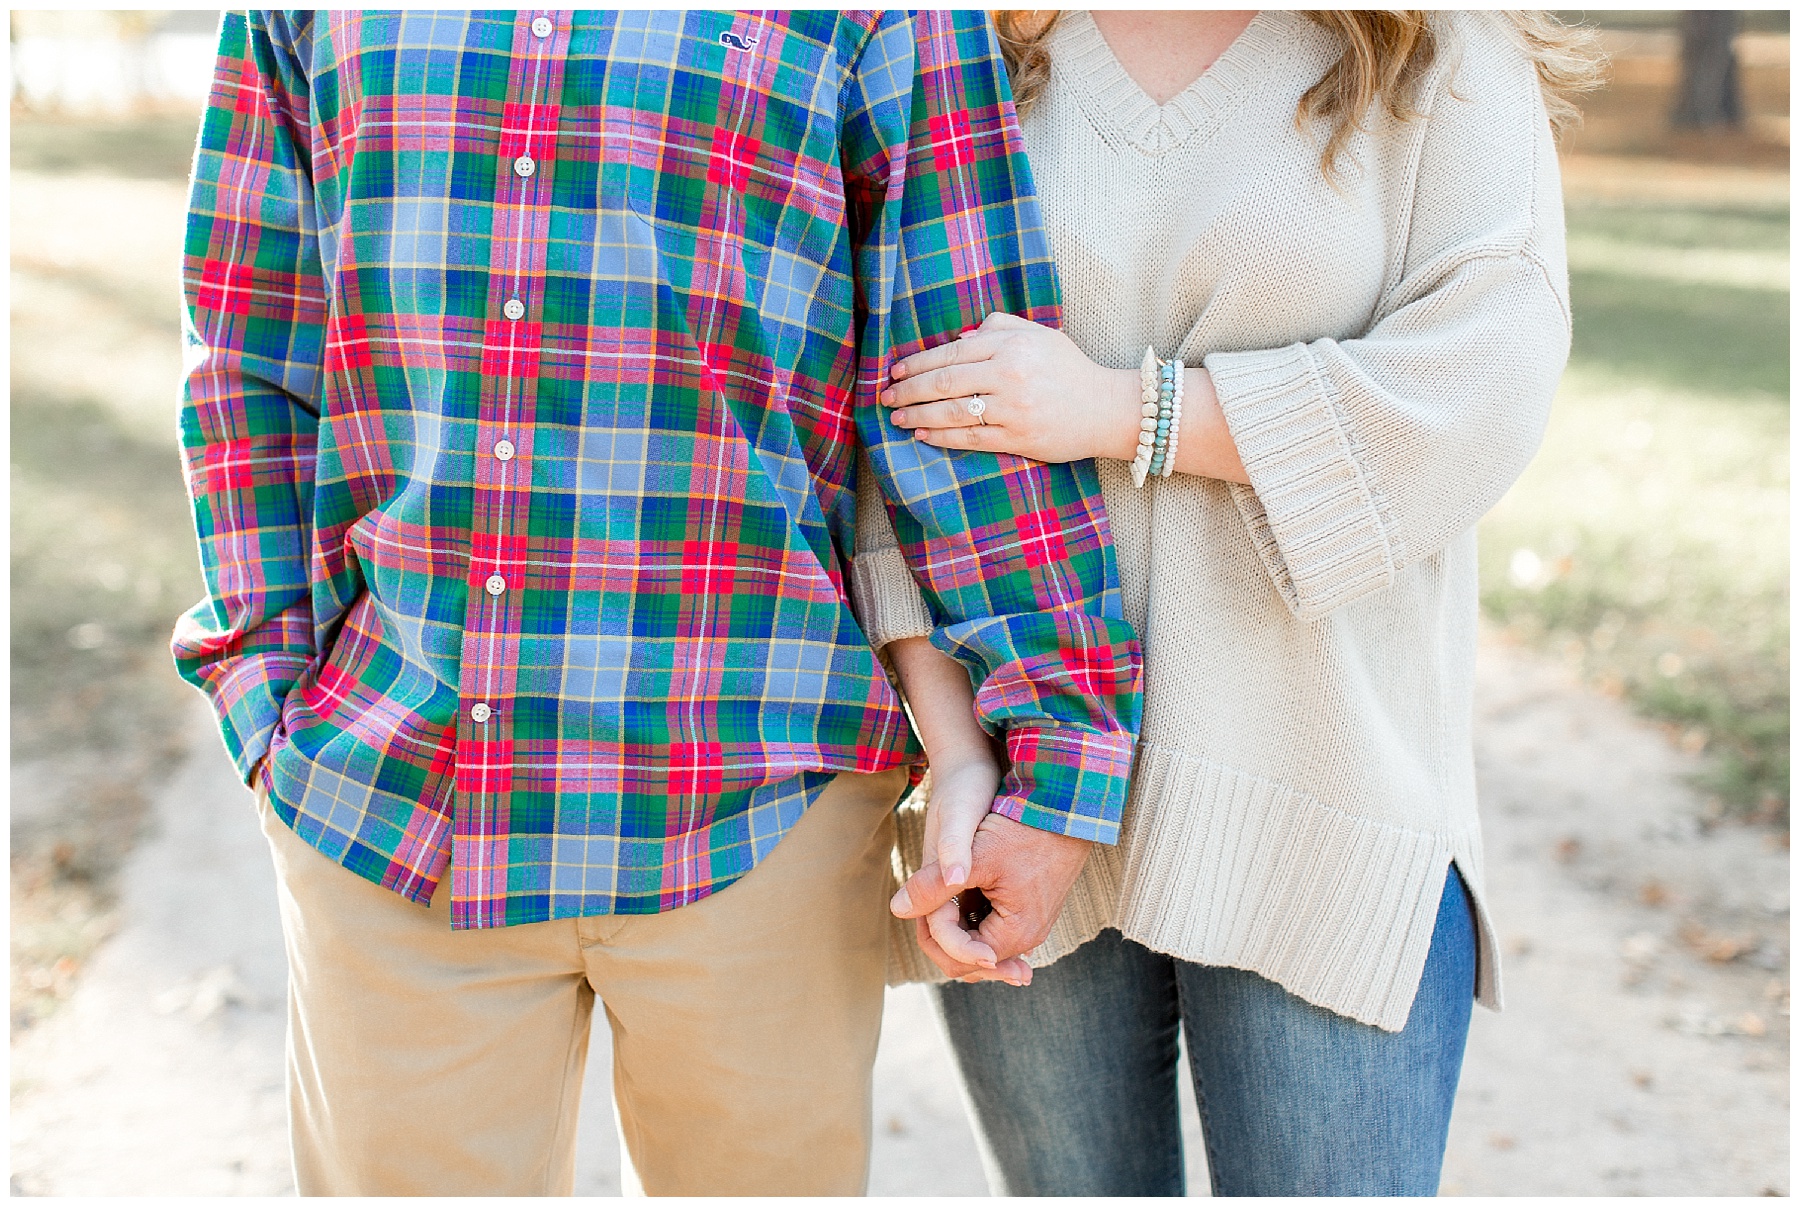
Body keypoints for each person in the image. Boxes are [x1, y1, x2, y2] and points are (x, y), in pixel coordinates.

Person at [170, 11, 1142, 1196]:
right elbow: (248, 347)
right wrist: (267, 694)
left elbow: (965, 365)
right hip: (393, 799)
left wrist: (1060, 749)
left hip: (759, 810)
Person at [869, 9, 1603, 1196]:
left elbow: (1483, 381)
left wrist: (1127, 410)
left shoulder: (1440, 48)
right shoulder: (977, 41)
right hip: (1023, 802)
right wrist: (954, 753)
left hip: (1323, 808)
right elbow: (899, 419)